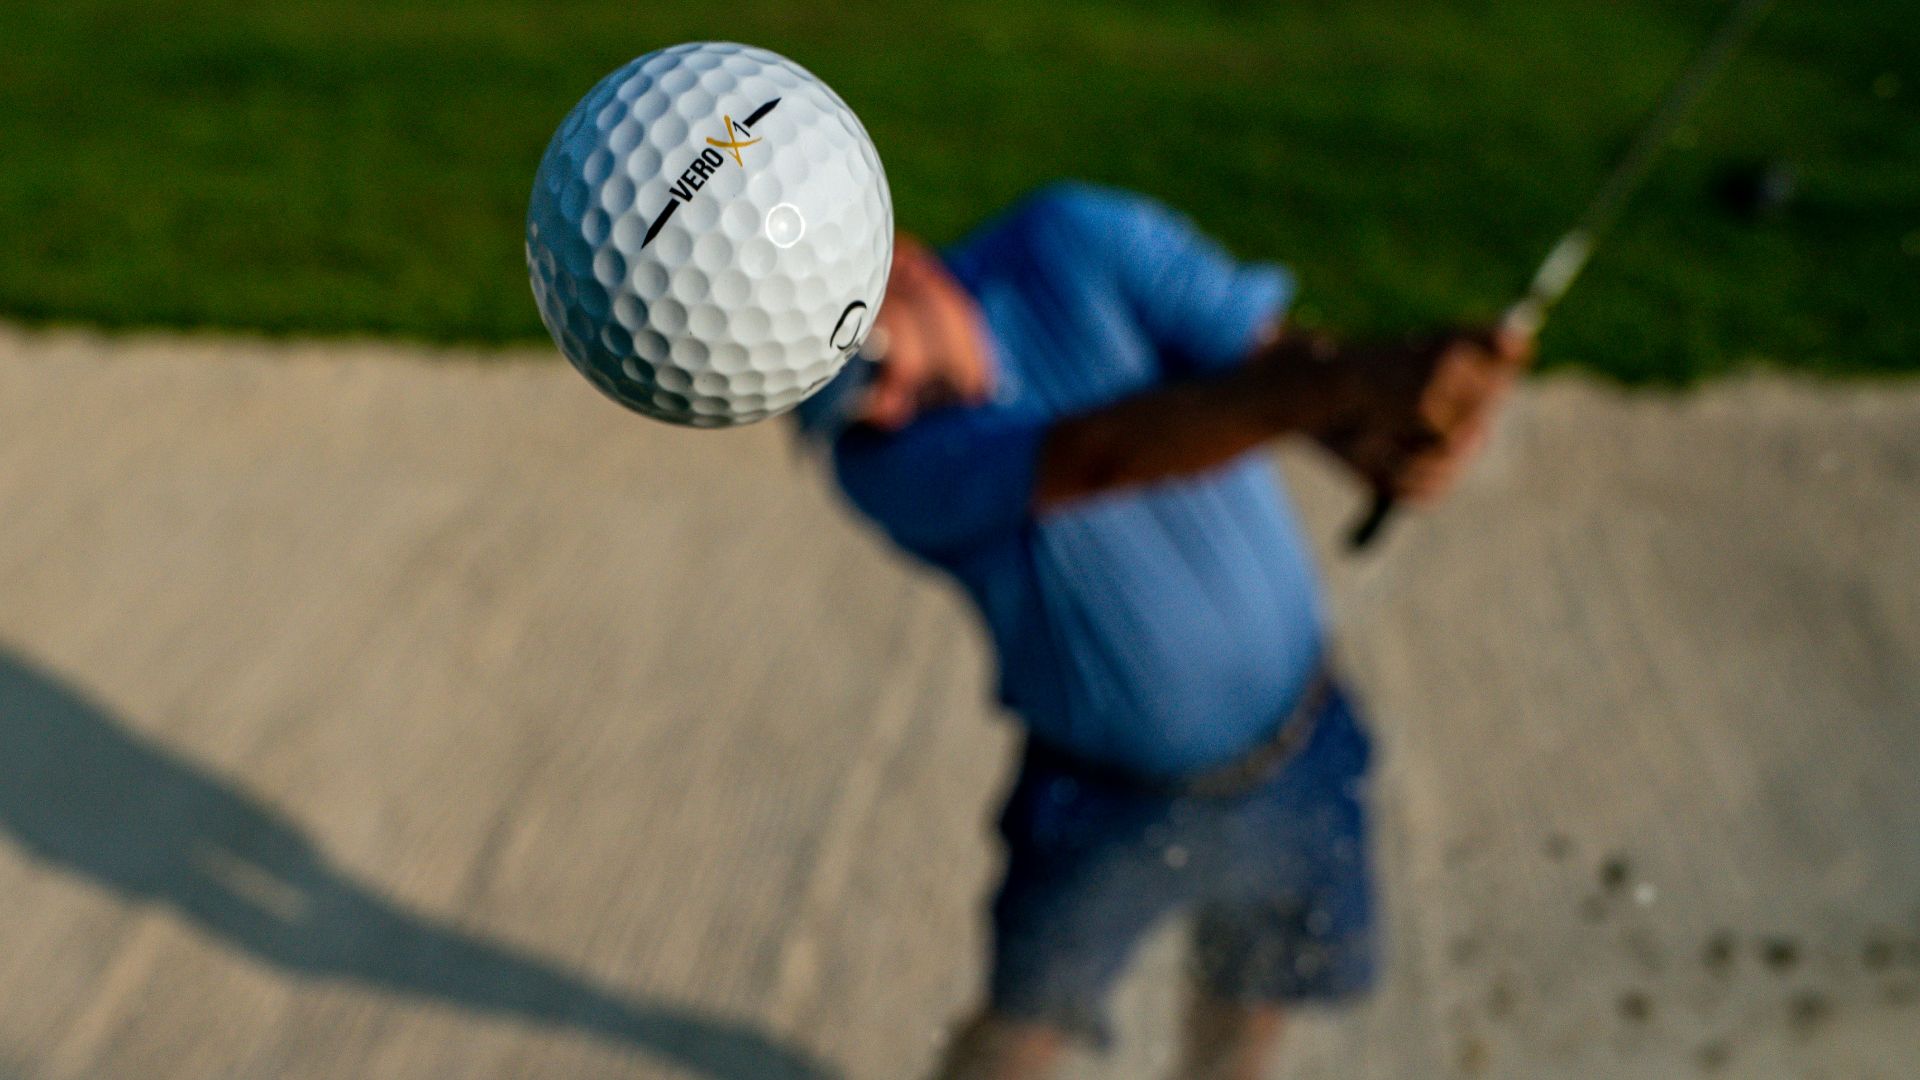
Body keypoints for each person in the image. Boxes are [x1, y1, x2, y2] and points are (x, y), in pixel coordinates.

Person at [795, 183, 1528, 1080]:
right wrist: (1349, 384)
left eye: (863, 368)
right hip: (1102, 797)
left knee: (1252, 995)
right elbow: (1101, 454)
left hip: (1303, 742)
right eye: (838, 406)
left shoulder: (1075, 237)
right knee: (1025, 1022)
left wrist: (1379, 432)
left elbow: (1268, 365)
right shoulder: (881, 466)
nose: (879, 408)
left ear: (899, 261)